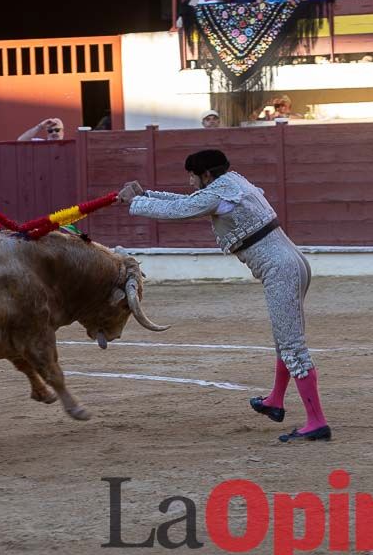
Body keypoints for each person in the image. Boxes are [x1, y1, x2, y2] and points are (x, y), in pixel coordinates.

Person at [120, 150, 331, 443]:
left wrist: (136, 201)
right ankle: (275, 401)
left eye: (192, 176)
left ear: (206, 175)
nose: (190, 181)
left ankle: (316, 422)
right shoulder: (233, 183)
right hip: (293, 263)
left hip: (281, 270)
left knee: (292, 346)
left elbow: (180, 211)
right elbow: (188, 202)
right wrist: (148, 194)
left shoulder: (216, 194)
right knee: (284, 341)